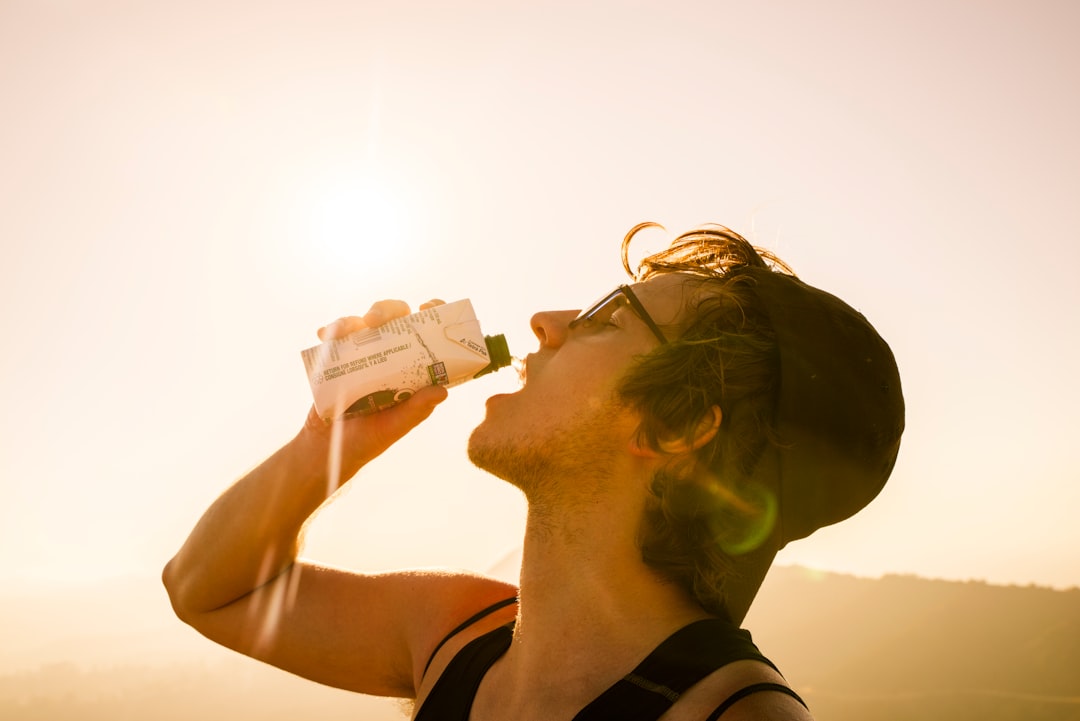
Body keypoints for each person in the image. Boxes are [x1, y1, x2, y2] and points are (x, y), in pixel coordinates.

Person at [163, 222, 904, 720]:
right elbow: (206, 587)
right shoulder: (456, 632)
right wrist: (328, 440)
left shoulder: (736, 716)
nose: (549, 321)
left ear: (676, 425)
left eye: (610, 317)